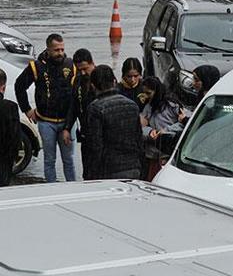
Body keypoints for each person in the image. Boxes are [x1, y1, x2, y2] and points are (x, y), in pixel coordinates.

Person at [14, 33, 77, 182]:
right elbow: (19, 86)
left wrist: (70, 125)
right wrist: (27, 109)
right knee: (49, 160)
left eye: (62, 49)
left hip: (66, 122)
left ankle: (73, 189)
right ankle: (51, 189)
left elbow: (76, 98)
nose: (60, 53)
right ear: (48, 49)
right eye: (56, 50)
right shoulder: (36, 67)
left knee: (68, 160)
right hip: (45, 121)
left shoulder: (71, 65)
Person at [85, 65, 143, 179]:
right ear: (114, 81)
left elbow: (95, 146)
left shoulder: (95, 108)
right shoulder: (132, 105)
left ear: (93, 86)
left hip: (109, 170)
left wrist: (91, 174)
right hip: (133, 167)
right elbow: (139, 140)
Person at [140, 76, 182, 180]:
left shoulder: (172, 105)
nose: (146, 96)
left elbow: (183, 123)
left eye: (149, 93)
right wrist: (149, 132)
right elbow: (140, 126)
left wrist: (167, 131)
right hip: (152, 153)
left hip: (169, 151)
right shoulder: (147, 106)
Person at [63, 49, 96, 179]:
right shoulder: (78, 80)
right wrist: (67, 127)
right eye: (79, 70)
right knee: (87, 171)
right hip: (86, 133)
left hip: (102, 133)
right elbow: (74, 106)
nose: (83, 73)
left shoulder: (103, 77)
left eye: (85, 69)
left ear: (92, 63)